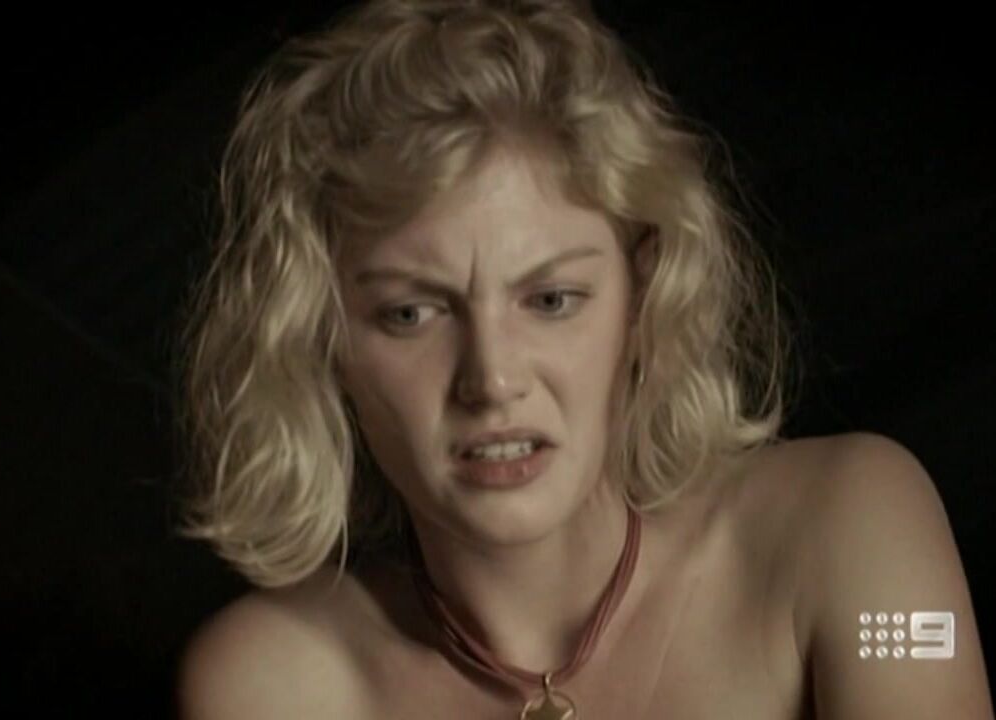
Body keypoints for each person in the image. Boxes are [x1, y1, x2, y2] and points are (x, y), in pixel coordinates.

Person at [174, 0, 993, 717]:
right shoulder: (274, 686)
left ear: (643, 295)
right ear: (318, 342)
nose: (493, 380)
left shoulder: (851, 532)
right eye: (410, 314)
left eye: (551, 300)